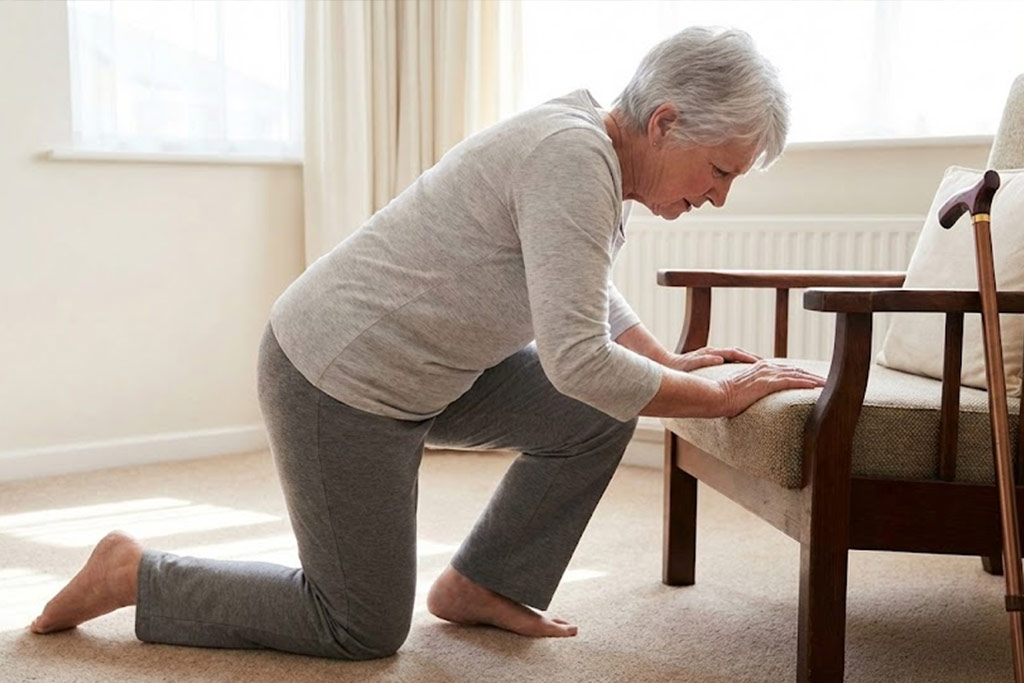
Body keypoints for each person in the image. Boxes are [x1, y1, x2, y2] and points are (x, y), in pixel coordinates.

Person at [30, 26, 824, 659]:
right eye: (720, 170)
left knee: (597, 410)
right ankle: (135, 571)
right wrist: (711, 394)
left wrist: (667, 362)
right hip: (335, 378)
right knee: (358, 627)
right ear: (666, 121)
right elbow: (579, 357)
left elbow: (585, 293)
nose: (718, 195)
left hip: (436, 375)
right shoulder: (571, 154)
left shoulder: (593, 156)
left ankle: (484, 581)